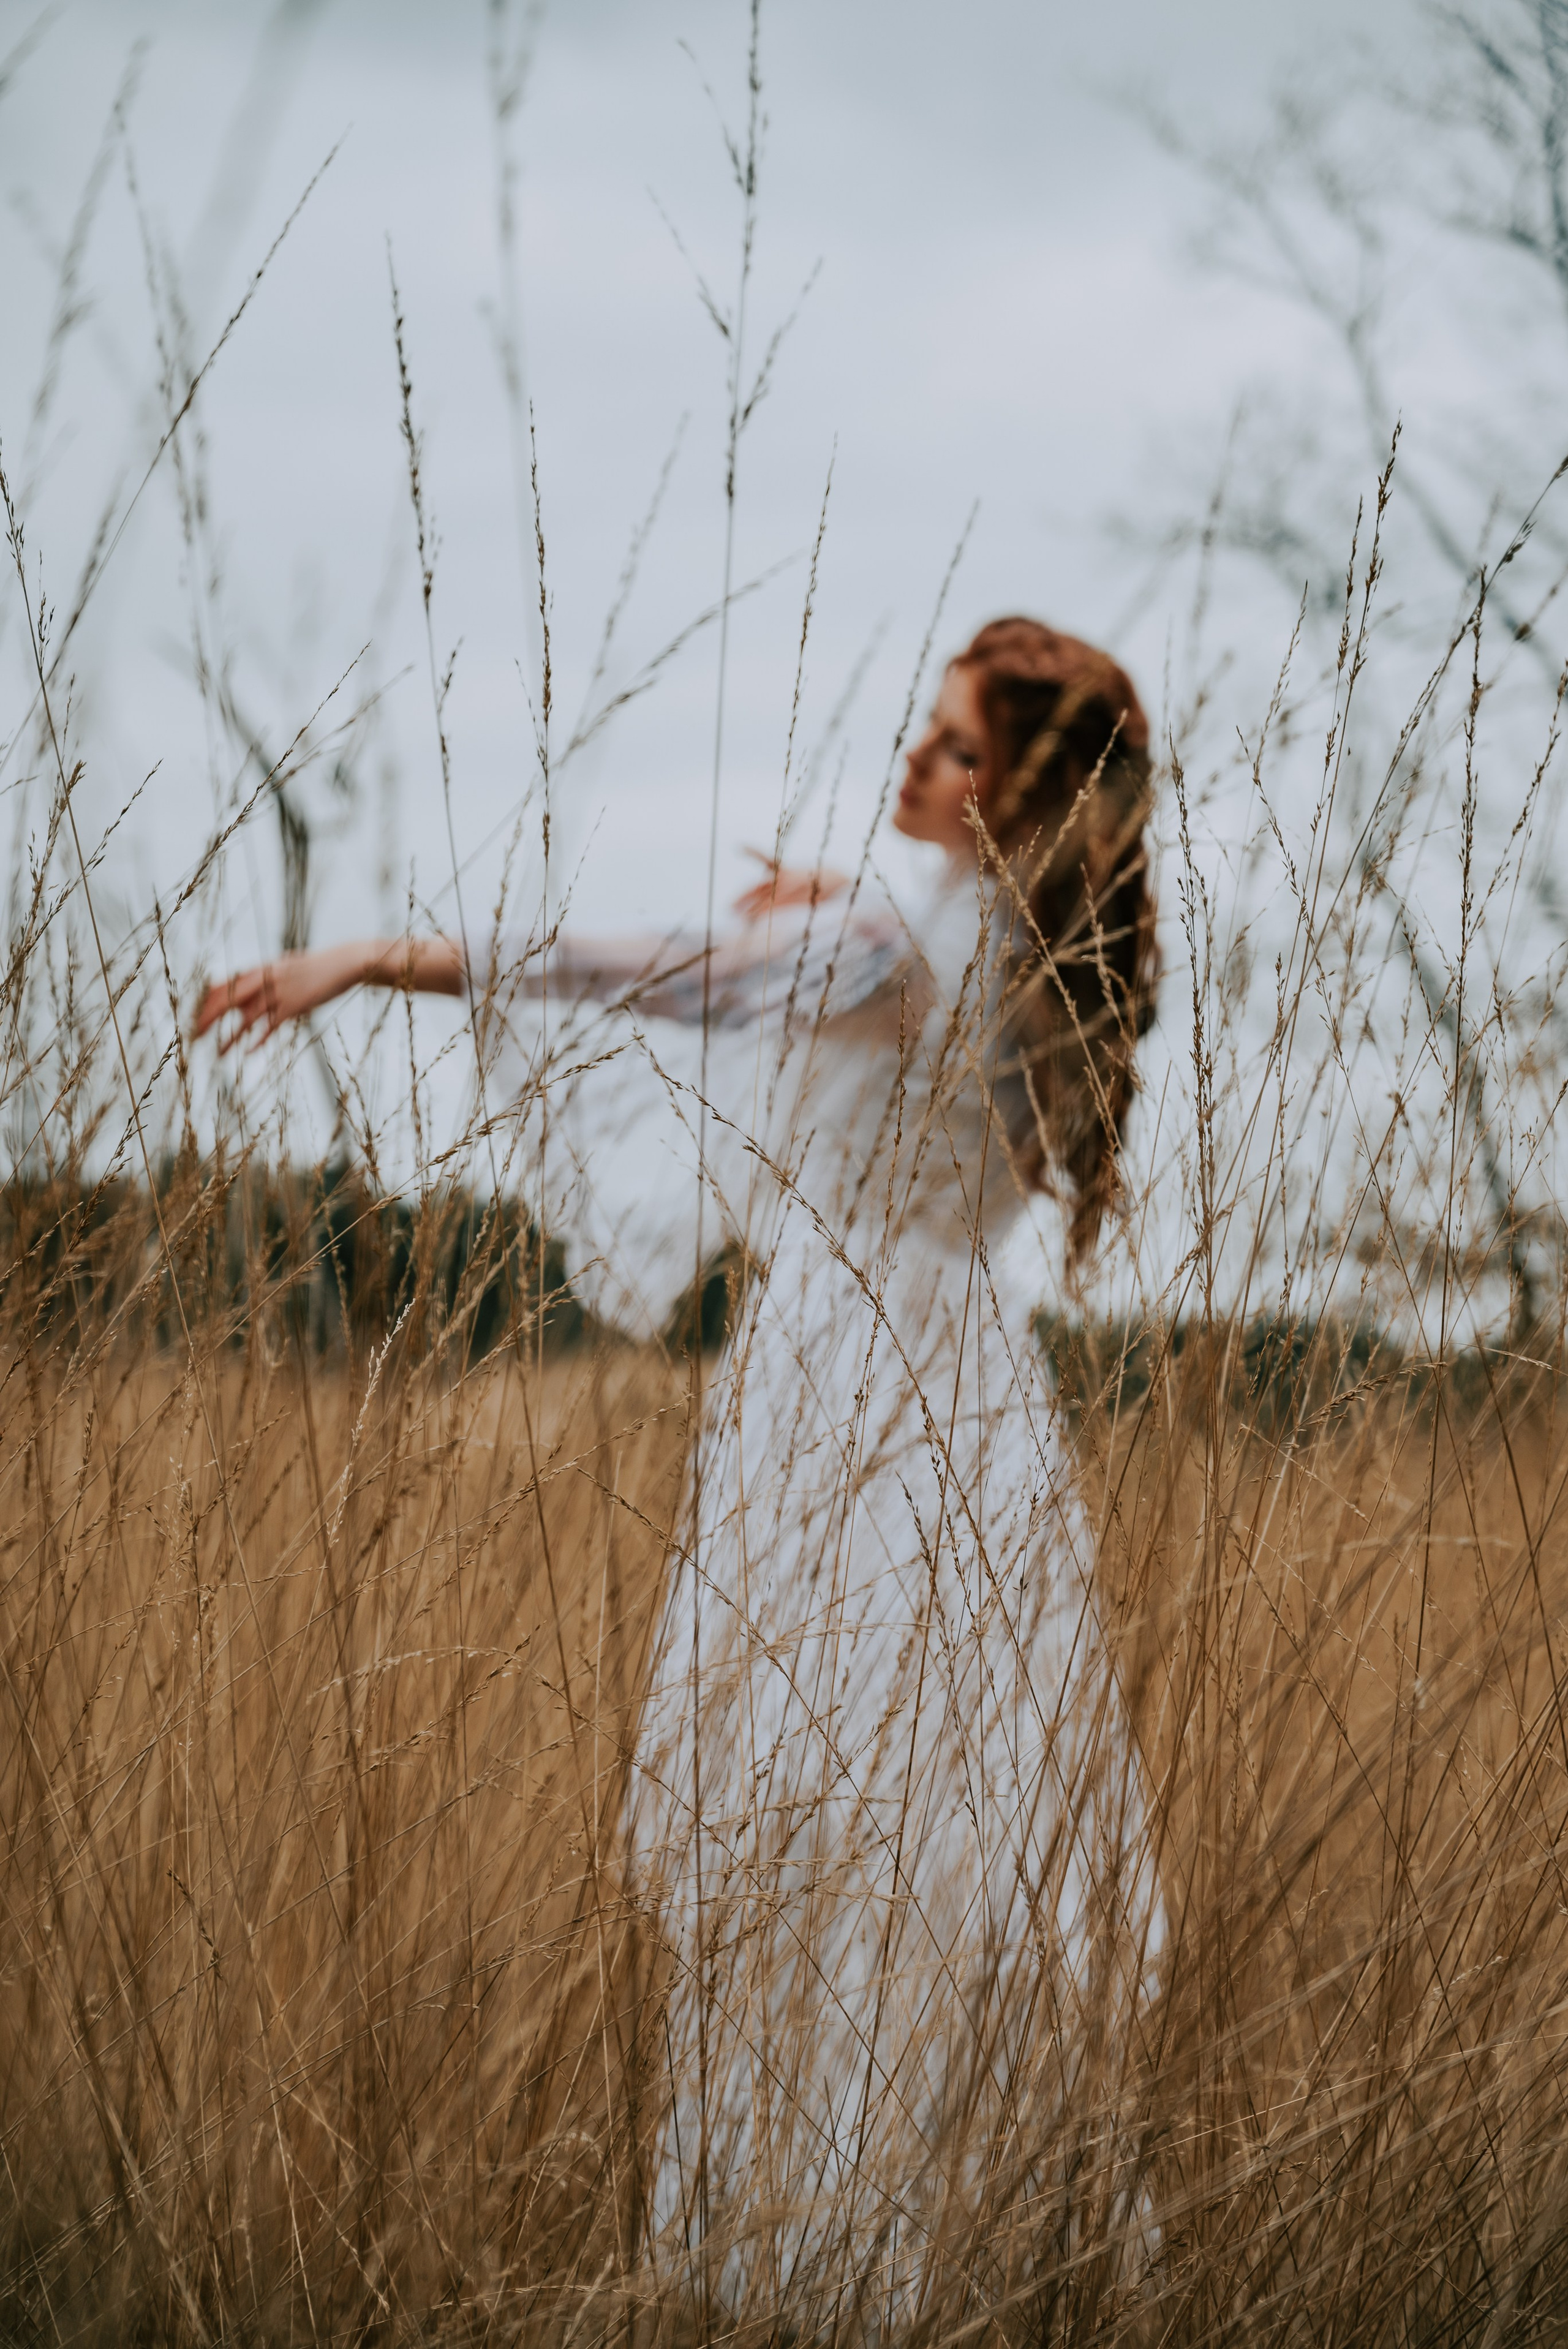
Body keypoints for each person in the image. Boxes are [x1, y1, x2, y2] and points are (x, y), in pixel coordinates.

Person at [195, 616, 1164, 2326]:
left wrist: (365, 956)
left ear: (1012, 786)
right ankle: (957, 2248)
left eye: (952, 747)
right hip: (973, 1401)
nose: (912, 763)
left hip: (844, 1388)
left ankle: (825, 2258)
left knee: (820, 1832)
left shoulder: (883, 948)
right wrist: (821, 933)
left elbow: (623, 968)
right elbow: (881, 1054)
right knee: (931, 1835)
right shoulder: (1041, 961)